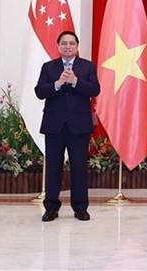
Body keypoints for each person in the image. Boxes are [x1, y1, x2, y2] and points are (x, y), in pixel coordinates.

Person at [34, 31, 100, 222]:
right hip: (54, 125)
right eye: (64, 43)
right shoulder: (49, 67)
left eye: (72, 43)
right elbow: (39, 91)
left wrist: (75, 82)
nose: (68, 46)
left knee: (79, 168)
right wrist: (57, 83)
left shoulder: (87, 66)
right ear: (58, 46)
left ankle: (80, 208)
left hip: (79, 126)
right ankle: (51, 207)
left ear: (77, 47)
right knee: (53, 168)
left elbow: (95, 89)